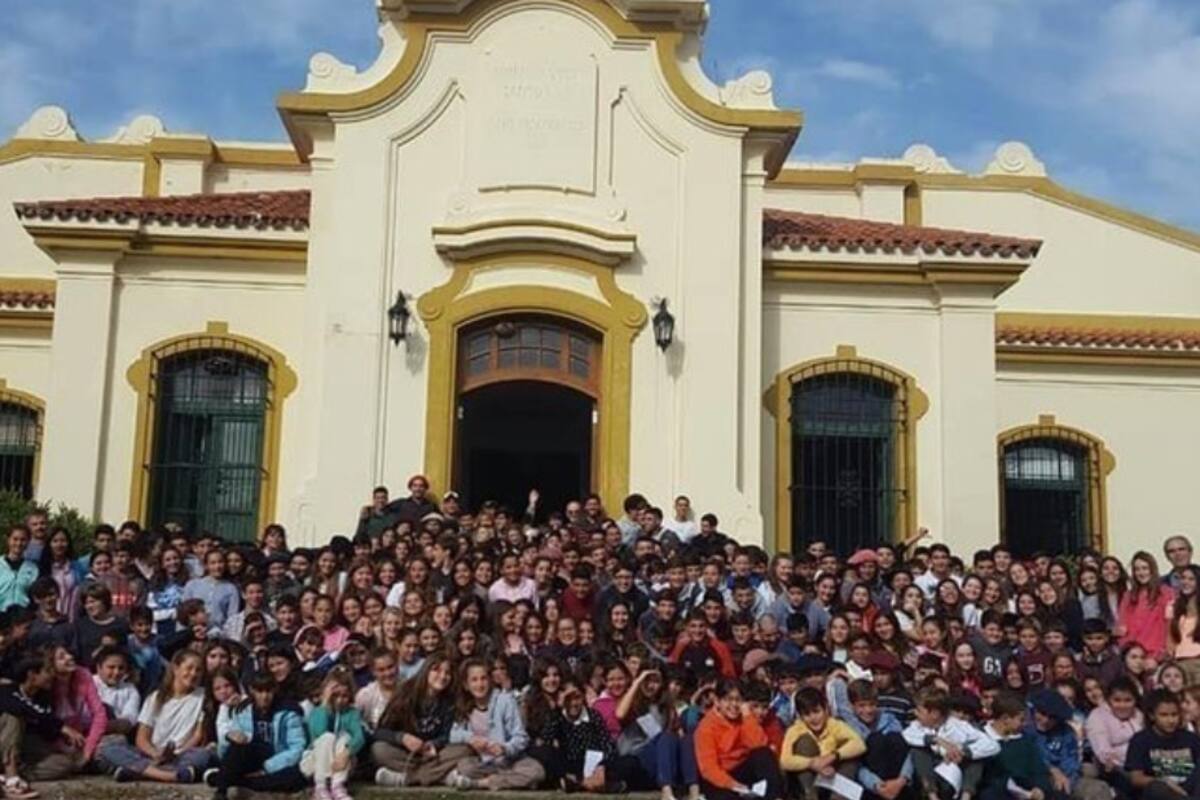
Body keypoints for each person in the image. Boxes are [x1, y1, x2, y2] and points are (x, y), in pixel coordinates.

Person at [96, 649, 212, 783]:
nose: (193, 674)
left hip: (182, 754)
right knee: (109, 749)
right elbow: (142, 738)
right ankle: (170, 775)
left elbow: (198, 736)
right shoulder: (156, 697)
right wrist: (156, 754)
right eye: (189, 668)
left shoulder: (202, 696)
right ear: (176, 668)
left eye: (198, 670)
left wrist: (176, 753)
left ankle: (139, 771)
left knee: (203, 755)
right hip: (152, 754)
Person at [373, 654, 472, 787]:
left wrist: (434, 744)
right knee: (378, 749)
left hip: (433, 755)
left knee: (465, 750)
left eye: (447, 673)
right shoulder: (406, 692)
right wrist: (402, 738)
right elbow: (379, 732)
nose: (442, 676)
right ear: (426, 671)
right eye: (436, 670)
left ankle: (407, 779)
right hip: (405, 753)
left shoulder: (449, 700)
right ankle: (439, 777)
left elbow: (446, 735)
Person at [446, 657, 544, 790]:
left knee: (536, 771)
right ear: (466, 685)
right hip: (483, 763)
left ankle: (480, 783)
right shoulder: (464, 706)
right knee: (465, 766)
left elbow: (521, 737)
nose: (480, 685)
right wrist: (470, 738)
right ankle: (513, 781)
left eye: (483, 679)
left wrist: (505, 748)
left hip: (510, 760)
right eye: (474, 680)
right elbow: (453, 734)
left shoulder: (505, 700)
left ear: (490, 680)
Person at [205, 673, 307, 799]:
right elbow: (226, 751)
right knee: (237, 749)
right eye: (260, 691)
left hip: (276, 758)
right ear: (252, 691)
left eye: (268, 691)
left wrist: (267, 767)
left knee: (296, 777)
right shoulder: (243, 709)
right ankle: (222, 791)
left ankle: (227, 779)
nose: (264, 696)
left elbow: (297, 748)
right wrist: (229, 737)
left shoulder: (288, 712)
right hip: (251, 755)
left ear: (275, 690)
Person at [0, 653, 89, 797]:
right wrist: (61, 727)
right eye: (47, 671)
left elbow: (47, 729)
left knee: (64, 764)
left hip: (25, 749)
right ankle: (12, 777)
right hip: (4, 742)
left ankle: (10, 773)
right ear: (32, 675)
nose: (52, 676)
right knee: (14, 718)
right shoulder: (7, 691)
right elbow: (19, 708)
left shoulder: (44, 698)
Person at [902, 687, 999, 800]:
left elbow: (993, 745)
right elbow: (907, 736)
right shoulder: (917, 725)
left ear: (934, 713)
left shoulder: (959, 726)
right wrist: (938, 741)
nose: (915, 713)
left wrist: (963, 751)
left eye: (919, 710)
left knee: (977, 759)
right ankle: (932, 796)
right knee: (918, 751)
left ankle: (966, 796)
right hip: (932, 775)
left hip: (956, 773)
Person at [694, 679, 783, 800]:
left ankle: (775, 797)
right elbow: (709, 769)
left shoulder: (745, 718)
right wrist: (734, 785)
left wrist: (747, 716)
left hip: (742, 769)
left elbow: (759, 744)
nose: (734, 705)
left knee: (764, 754)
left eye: (738, 700)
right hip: (720, 777)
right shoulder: (706, 727)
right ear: (717, 701)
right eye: (728, 699)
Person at [780, 686, 866, 800]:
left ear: (826, 709)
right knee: (805, 742)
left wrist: (832, 757)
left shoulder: (834, 725)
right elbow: (785, 761)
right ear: (801, 716)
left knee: (850, 757)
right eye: (807, 714)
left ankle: (838, 797)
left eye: (816, 712)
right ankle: (810, 796)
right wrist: (812, 763)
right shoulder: (795, 730)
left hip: (831, 776)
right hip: (807, 780)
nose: (813, 718)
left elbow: (859, 744)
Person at [1028, 688, 1110, 800]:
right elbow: (1029, 756)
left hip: (1065, 778)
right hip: (1036, 777)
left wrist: (1066, 780)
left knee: (1099, 788)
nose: (1046, 720)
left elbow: (1071, 760)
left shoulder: (1065, 731)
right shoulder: (1025, 728)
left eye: (1052, 717)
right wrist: (1051, 769)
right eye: (1042, 714)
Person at [301, 666, 367, 800]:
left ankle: (337, 786)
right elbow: (318, 733)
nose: (340, 700)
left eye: (344, 696)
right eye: (335, 695)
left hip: (340, 763)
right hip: (315, 763)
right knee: (327, 737)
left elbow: (359, 737)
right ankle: (321, 787)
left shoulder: (352, 713)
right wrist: (325, 704)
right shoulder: (317, 712)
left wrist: (346, 753)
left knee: (345, 737)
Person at [1125, 689, 1200, 800]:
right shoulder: (1140, 740)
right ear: (1152, 715)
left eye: (1174, 715)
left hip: (1188, 789)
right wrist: (1164, 782)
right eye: (1164, 715)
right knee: (1156, 789)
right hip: (1161, 791)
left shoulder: (1190, 738)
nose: (1170, 720)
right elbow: (1136, 778)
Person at [982, 691, 1058, 800]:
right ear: (1006, 719)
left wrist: (1040, 788)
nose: (1025, 724)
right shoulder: (981, 738)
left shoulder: (1025, 742)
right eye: (1021, 720)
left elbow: (1039, 771)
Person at [181, 549, 240, 633]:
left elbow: (232, 618)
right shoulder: (192, 585)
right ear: (206, 565)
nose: (217, 566)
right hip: (192, 632)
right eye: (213, 563)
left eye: (220, 562)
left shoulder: (231, 588)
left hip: (218, 633)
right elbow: (183, 612)